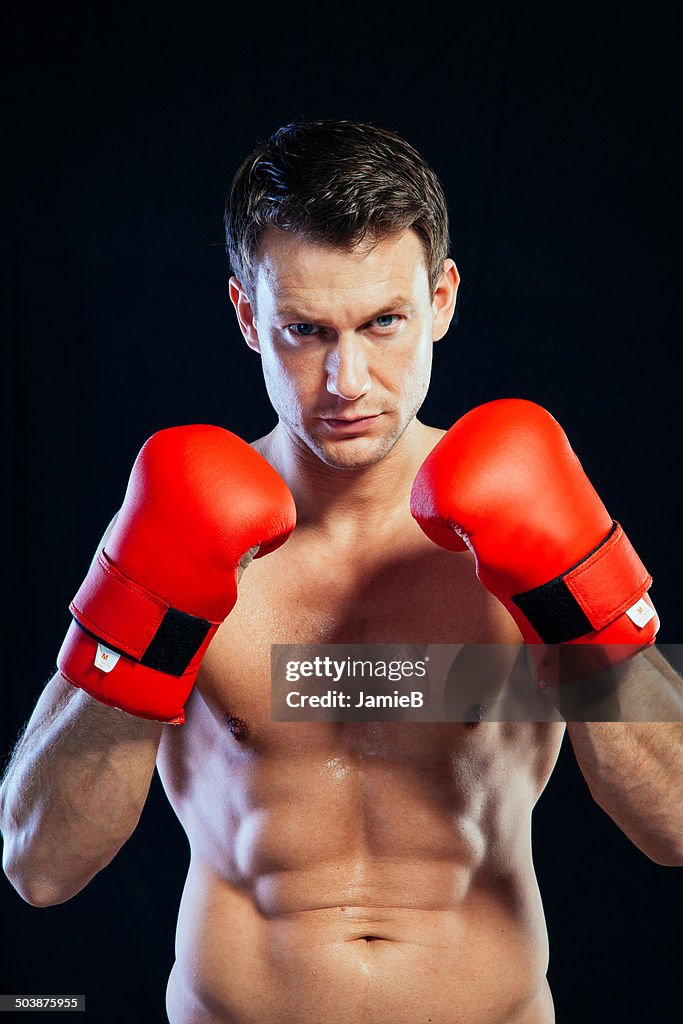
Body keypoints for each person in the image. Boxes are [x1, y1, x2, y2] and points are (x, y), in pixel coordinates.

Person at [1, 120, 681, 1024]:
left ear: (441, 299)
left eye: (383, 322)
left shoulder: (525, 516)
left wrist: (579, 608)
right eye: (305, 330)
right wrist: (140, 628)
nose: (347, 379)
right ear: (248, 316)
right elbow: (40, 866)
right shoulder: (180, 525)